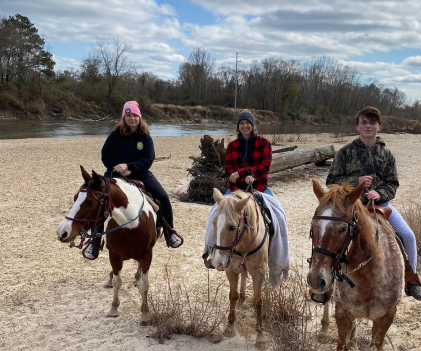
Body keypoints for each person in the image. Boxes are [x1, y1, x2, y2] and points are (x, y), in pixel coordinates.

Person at [326, 106, 421, 301]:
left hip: (380, 207)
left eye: (372, 123)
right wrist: (356, 182)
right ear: (357, 126)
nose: (368, 126)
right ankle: (324, 285)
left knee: (408, 236)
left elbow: (393, 184)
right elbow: (331, 182)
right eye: (364, 122)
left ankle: (412, 280)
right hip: (350, 207)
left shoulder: (387, 155)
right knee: (328, 238)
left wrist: (379, 194)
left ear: (379, 127)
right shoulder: (345, 153)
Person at [202, 110, 290, 286]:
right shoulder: (232, 146)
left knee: (279, 216)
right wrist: (241, 176)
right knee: (214, 214)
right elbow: (228, 170)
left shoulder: (264, 143)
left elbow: (265, 166)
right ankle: (209, 251)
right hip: (234, 191)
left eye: (247, 123)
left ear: (253, 125)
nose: (245, 126)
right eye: (241, 123)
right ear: (238, 126)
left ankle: (278, 260)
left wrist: (246, 173)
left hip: (259, 188)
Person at [84, 101, 181, 259]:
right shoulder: (115, 135)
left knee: (163, 197)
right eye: (128, 115)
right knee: (102, 202)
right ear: (124, 117)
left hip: (141, 173)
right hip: (115, 174)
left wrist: (130, 166)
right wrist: (117, 167)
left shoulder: (146, 137)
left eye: (134, 115)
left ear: (139, 117)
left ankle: (170, 232)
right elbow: (105, 155)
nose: (132, 118)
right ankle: (95, 242)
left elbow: (148, 159)